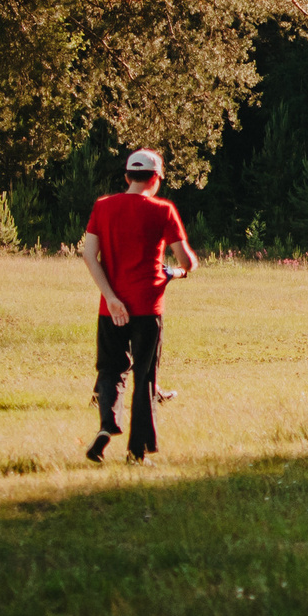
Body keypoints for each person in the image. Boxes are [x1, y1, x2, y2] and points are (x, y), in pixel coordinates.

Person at [78, 149, 197, 464]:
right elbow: (186, 261)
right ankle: (137, 451)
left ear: (128, 176)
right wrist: (177, 270)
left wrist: (111, 297)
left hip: (111, 308)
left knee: (110, 370)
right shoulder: (163, 209)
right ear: (156, 178)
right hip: (148, 306)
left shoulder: (103, 207)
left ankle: (107, 423)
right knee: (144, 377)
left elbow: (89, 255)